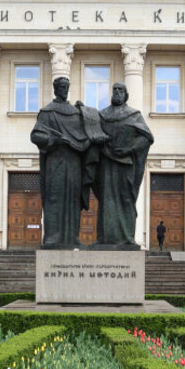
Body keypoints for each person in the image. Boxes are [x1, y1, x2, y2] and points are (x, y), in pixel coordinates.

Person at [29, 76, 103, 248]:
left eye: (66, 87)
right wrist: (53, 141)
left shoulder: (76, 113)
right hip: (56, 162)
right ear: (55, 89)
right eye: (61, 87)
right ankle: (52, 238)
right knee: (55, 198)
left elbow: (86, 135)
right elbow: (36, 135)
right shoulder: (48, 112)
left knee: (73, 200)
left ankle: (72, 238)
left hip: (75, 162)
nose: (64, 90)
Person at [92, 83, 154, 247]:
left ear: (126, 95)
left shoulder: (133, 115)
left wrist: (129, 149)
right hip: (106, 164)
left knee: (126, 199)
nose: (117, 93)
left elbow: (147, 137)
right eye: (115, 90)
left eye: (121, 90)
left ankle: (127, 237)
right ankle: (104, 237)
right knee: (106, 200)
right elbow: (92, 132)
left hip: (126, 164)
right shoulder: (102, 115)